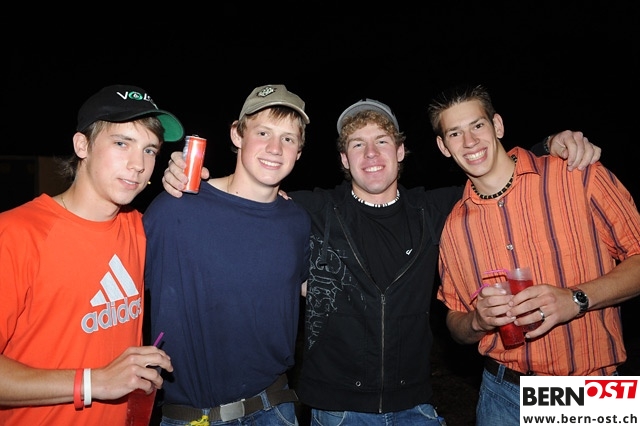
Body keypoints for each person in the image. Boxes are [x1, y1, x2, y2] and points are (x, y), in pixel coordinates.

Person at [162, 97, 600, 425]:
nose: (371, 154)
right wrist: (188, 178)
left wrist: (549, 144)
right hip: (336, 410)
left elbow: (496, 175)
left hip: (417, 406)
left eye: (382, 142)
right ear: (343, 159)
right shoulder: (312, 210)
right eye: (358, 144)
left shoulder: (435, 209)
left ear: (401, 151)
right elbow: (252, 195)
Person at [429, 83, 640, 425]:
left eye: (477, 125)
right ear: (443, 146)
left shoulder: (577, 174)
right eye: (455, 133)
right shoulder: (454, 228)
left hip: (593, 389)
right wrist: (477, 321)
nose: (469, 142)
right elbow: (455, 320)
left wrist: (577, 299)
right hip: (502, 395)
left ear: (497, 125)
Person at [0, 84, 180, 425]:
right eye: (122, 143)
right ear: (82, 145)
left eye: (149, 150)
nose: (138, 165)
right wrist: (92, 382)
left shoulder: (141, 229)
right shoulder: (15, 234)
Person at [143, 84, 312, 425]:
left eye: (288, 138)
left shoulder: (298, 221)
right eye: (263, 132)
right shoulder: (176, 209)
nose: (275, 148)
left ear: (299, 151)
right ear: (237, 134)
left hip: (274, 408)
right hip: (191, 415)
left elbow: (312, 292)